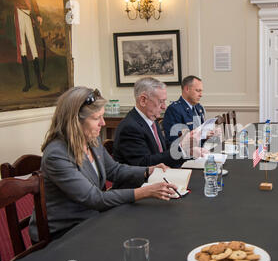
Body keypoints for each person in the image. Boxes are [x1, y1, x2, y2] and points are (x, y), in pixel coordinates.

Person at [28, 87, 177, 242]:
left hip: (90, 219)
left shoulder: (91, 140)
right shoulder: (56, 155)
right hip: (64, 232)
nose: (103, 123)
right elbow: (95, 198)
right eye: (96, 118)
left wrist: (148, 171)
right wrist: (145, 191)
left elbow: (114, 170)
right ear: (75, 121)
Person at [113, 77, 206, 168]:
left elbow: (163, 151)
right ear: (143, 100)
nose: (164, 107)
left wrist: (188, 151)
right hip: (141, 182)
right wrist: (181, 148)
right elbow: (144, 164)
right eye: (161, 101)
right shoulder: (130, 127)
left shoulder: (151, 120)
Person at [7, 0, 49, 91]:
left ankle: (40, 83)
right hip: (19, 13)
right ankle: (27, 84)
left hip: (28, 14)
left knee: (33, 46)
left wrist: (38, 14)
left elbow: (33, 1)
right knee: (23, 47)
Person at [163, 75, 207, 145]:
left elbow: (200, 139)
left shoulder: (198, 108)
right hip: (184, 154)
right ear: (187, 89)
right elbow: (174, 141)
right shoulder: (174, 110)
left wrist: (208, 136)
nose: (201, 94)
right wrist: (202, 135)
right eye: (198, 90)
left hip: (200, 151)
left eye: (201, 91)